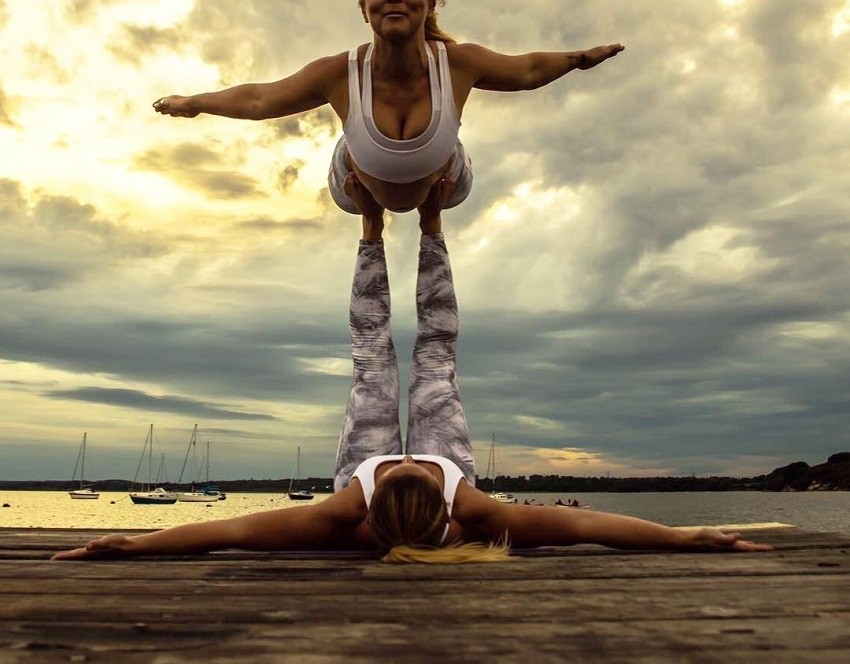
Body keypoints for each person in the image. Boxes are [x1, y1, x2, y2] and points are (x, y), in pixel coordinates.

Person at [52, 179, 771, 564]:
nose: (404, 460)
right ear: (443, 499)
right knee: (435, 356)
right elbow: (594, 529)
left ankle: (371, 229)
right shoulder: (473, 505)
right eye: (413, 474)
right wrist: (686, 537)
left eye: (400, 473)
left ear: (369, 504)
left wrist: (132, 543)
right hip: (454, 466)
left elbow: (232, 533)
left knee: (372, 358)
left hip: (354, 473)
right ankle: (431, 225)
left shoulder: (343, 510)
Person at [152, 0, 625, 214]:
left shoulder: (458, 64)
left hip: (443, 175)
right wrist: (193, 102)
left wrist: (579, 58)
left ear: (429, 2)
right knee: (358, 189)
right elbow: (259, 99)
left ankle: (431, 212)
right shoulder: (340, 73)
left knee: (448, 184)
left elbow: (526, 69)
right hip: (357, 181)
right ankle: (371, 220)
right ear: (365, 8)